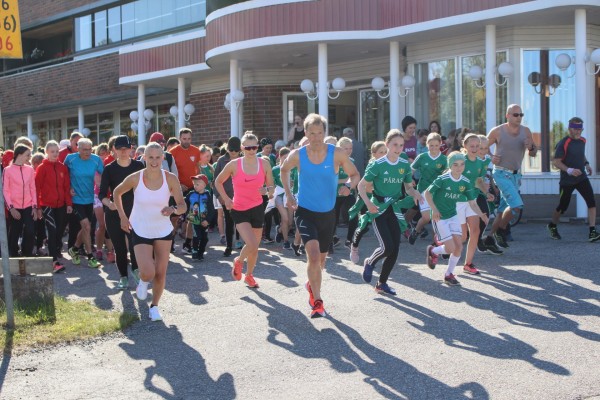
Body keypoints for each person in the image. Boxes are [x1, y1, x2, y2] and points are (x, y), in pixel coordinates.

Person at [281, 113, 359, 318]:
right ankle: (317, 301)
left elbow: (355, 174)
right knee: (313, 256)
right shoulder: (298, 154)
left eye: (319, 133)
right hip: (305, 211)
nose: (316, 137)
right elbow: (284, 170)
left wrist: (349, 187)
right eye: (312, 133)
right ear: (305, 133)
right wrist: (289, 195)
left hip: (327, 214)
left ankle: (311, 284)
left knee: (321, 262)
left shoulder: (337, 153)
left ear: (325, 133)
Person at [113, 142, 186, 321]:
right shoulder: (135, 178)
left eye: (158, 157)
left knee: (161, 272)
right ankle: (144, 282)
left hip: (162, 229)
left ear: (163, 158)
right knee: (148, 271)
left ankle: (154, 307)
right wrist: (123, 217)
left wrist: (173, 210)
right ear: (144, 158)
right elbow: (116, 192)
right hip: (140, 228)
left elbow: (183, 206)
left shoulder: (170, 178)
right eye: (150, 157)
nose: (154, 161)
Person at [359, 130, 422, 295]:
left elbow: (408, 187)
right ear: (387, 144)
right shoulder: (378, 164)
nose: (398, 148)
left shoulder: (404, 165)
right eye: (395, 144)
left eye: (401, 145)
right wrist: (368, 204)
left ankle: (382, 283)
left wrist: (415, 193)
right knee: (387, 246)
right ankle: (370, 262)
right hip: (378, 208)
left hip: (394, 208)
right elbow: (361, 186)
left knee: (395, 249)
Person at [215, 132, 275, 288]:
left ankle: (249, 275)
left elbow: (271, 187)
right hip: (239, 208)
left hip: (257, 208)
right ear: (242, 148)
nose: (252, 150)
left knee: (254, 248)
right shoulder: (234, 164)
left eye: (254, 147)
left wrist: (267, 191)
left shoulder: (265, 164)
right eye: (248, 147)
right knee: (252, 243)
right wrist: (227, 199)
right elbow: (218, 182)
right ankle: (239, 261)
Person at [425, 152, 489, 286]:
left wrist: (482, 215)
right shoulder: (442, 179)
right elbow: (427, 194)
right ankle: (433, 251)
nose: (459, 167)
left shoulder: (465, 182)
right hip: (440, 217)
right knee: (449, 248)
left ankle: (448, 274)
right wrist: (434, 210)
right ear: (450, 165)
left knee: (459, 246)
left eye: (462, 164)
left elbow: (472, 202)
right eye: (455, 165)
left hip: (453, 215)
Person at [485, 104, 537, 249]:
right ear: (507, 116)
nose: (519, 117)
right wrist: (491, 157)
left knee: (502, 210)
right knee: (516, 206)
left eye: (521, 115)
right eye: (515, 115)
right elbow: (483, 147)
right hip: (500, 173)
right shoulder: (497, 131)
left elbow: (533, 153)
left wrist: (531, 147)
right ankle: (501, 231)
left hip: (515, 175)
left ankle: (489, 238)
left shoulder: (526, 131)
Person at [100, 135, 145, 290]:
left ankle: (136, 271)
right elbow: (101, 194)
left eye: (126, 148)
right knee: (119, 247)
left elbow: (146, 187)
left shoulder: (139, 166)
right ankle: (123, 277)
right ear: (114, 150)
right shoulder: (109, 169)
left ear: (131, 148)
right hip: (115, 213)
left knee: (135, 244)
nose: (124, 151)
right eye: (120, 149)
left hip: (134, 212)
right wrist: (109, 203)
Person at [547, 117, 600, 242]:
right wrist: (569, 170)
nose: (577, 131)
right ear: (569, 129)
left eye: (580, 128)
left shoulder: (582, 140)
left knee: (591, 202)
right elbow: (556, 162)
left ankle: (592, 231)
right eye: (575, 128)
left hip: (581, 178)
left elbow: (581, 155)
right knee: (562, 207)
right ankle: (552, 225)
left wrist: (586, 164)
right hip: (567, 181)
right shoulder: (563, 143)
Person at [64, 138, 104, 268]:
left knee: (85, 227)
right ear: (78, 148)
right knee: (87, 227)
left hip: (89, 198)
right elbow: (64, 176)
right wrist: (68, 187)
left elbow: (104, 176)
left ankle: (74, 248)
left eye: (89, 149)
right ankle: (90, 256)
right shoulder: (70, 159)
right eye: (84, 149)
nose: (87, 152)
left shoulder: (96, 160)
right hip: (76, 199)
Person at [35, 140, 72, 273]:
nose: (55, 154)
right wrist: (38, 207)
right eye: (52, 152)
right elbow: (37, 187)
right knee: (52, 230)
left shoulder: (62, 167)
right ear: (46, 152)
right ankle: (53, 261)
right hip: (47, 205)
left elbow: (66, 187)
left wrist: (68, 204)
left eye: (57, 151)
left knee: (59, 231)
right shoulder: (42, 167)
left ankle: (55, 250)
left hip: (61, 204)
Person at [348, 141, 387, 264]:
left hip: (381, 198)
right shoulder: (372, 165)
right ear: (374, 154)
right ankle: (354, 247)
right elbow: (367, 187)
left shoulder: (389, 165)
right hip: (367, 197)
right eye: (381, 152)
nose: (384, 154)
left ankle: (385, 251)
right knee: (363, 226)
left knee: (385, 224)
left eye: (386, 152)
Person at [408, 133, 447, 245]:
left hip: (438, 192)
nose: (434, 148)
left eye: (436, 145)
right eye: (431, 145)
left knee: (437, 217)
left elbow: (449, 174)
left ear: (440, 144)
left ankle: (438, 242)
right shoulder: (422, 157)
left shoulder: (444, 159)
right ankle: (416, 230)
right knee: (426, 217)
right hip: (424, 191)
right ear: (427, 145)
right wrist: (409, 179)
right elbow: (411, 170)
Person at [169, 128, 201, 253]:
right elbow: (170, 171)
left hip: (192, 188)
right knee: (174, 217)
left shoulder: (196, 151)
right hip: (177, 189)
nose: (186, 141)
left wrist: (198, 183)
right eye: (184, 139)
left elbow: (197, 168)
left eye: (189, 139)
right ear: (179, 138)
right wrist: (178, 184)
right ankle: (169, 243)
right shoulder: (173, 152)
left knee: (192, 217)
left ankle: (187, 244)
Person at [3, 144, 38, 257]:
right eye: (28, 155)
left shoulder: (30, 169)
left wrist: (34, 207)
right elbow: (5, 191)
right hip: (14, 207)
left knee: (30, 231)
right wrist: (11, 208)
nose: (29, 157)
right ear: (19, 154)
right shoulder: (7, 170)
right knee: (14, 233)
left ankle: (26, 253)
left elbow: (33, 189)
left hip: (28, 206)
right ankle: (12, 256)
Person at [213, 136, 242, 257]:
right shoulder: (221, 161)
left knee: (241, 221)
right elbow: (215, 180)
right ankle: (229, 245)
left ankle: (240, 242)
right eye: (231, 150)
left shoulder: (243, 160)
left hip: (242, 196)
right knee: (229, 222)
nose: (233, 153)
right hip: (226, 196)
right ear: (228, 149)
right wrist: (219, 195)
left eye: (236, 150)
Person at [185, 174, 215, 260]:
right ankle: (194, 251)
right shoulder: (191, 194)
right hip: (194, 220)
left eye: (197, 184)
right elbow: (184, 203)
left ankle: (201, 252)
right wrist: (186, 213)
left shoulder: (207, 195)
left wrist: (207, 220)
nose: (195, 186)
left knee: (204, 238)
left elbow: (211, 209)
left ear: (204, 185)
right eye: (194, 184)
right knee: (196, 236)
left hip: (204, 221)